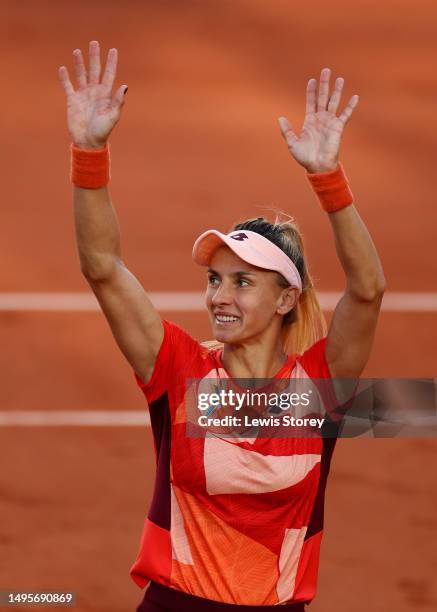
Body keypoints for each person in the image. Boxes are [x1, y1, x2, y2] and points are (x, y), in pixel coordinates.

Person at [59, 41, 385, 611]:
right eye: (215, 279)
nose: (219, 297)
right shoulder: (178, 367)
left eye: (242, 282)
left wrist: (329, 178)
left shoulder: (320, 383)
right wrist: (89, 153)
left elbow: (368, 290)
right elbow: (103, 269)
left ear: (286, 299)